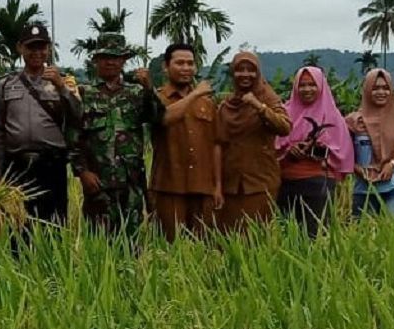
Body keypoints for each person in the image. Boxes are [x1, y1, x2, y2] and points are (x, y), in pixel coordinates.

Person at [0, 22, 80, 224]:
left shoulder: (63, 81)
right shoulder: (6, 84)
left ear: (49, 48)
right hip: (17, 165)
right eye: (31, 47)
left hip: (51, 164)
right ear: (20, 48)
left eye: (41, 47)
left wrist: (61, 87)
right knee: (19, 225)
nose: (37, 52)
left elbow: (78, 116)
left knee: (54, 225)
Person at [69, 33, 154, 232]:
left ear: (123, 60)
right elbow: (73, 138)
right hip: (98, 184)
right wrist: (82, 172)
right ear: (96, 61)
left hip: (130, 183)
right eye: (105, 57)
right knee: (99, 244)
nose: (110, 62)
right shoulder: (84, 94)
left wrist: (150, 88)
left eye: (115, 57)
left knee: (131, 242)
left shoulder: (137, 93)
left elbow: (157, 118)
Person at [148, 43, 222, 241]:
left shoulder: (208, 103)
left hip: (202, 187)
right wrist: (195, 94)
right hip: (168, 186)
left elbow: (216, 144)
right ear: (165, 66)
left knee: (203, 248)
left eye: (190, 63)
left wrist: (217, 186)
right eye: (179, 63)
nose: (186, 68)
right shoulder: (157, 98)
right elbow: (164, 118)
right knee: (169, 247)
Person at [215, 51, 291, 231]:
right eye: (240, 70)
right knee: (229, 237)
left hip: (260, 182)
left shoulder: (268, 97)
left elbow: (285, 127)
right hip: (231, 184)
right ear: (232, 73)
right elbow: (218, 144)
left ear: (258, 73)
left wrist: (258, 106)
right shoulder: (226, 105)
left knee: (256, 237)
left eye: (251, 70)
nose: (245, 74)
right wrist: (217, 185)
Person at [275, 66, 353, 237]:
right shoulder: (284, 114)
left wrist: (315, 149)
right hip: (286, 184)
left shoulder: (332, 117)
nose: (307, 89)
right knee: (287, 235)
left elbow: (341, 153)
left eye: (312, 85)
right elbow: (273, 148)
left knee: (314, 235)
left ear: (321, 86)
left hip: (318, 184)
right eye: (302, 85)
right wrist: (289, 150)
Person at [344, 68, 394, 218]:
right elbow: (345, 154)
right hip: (364, 189)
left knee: (392, 233)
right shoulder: (353, 122)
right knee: (363, 236)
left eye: (385, 88)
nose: (381, 92)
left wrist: (392, 164)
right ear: (367, 90)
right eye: (375, 88)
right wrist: (358, 169)